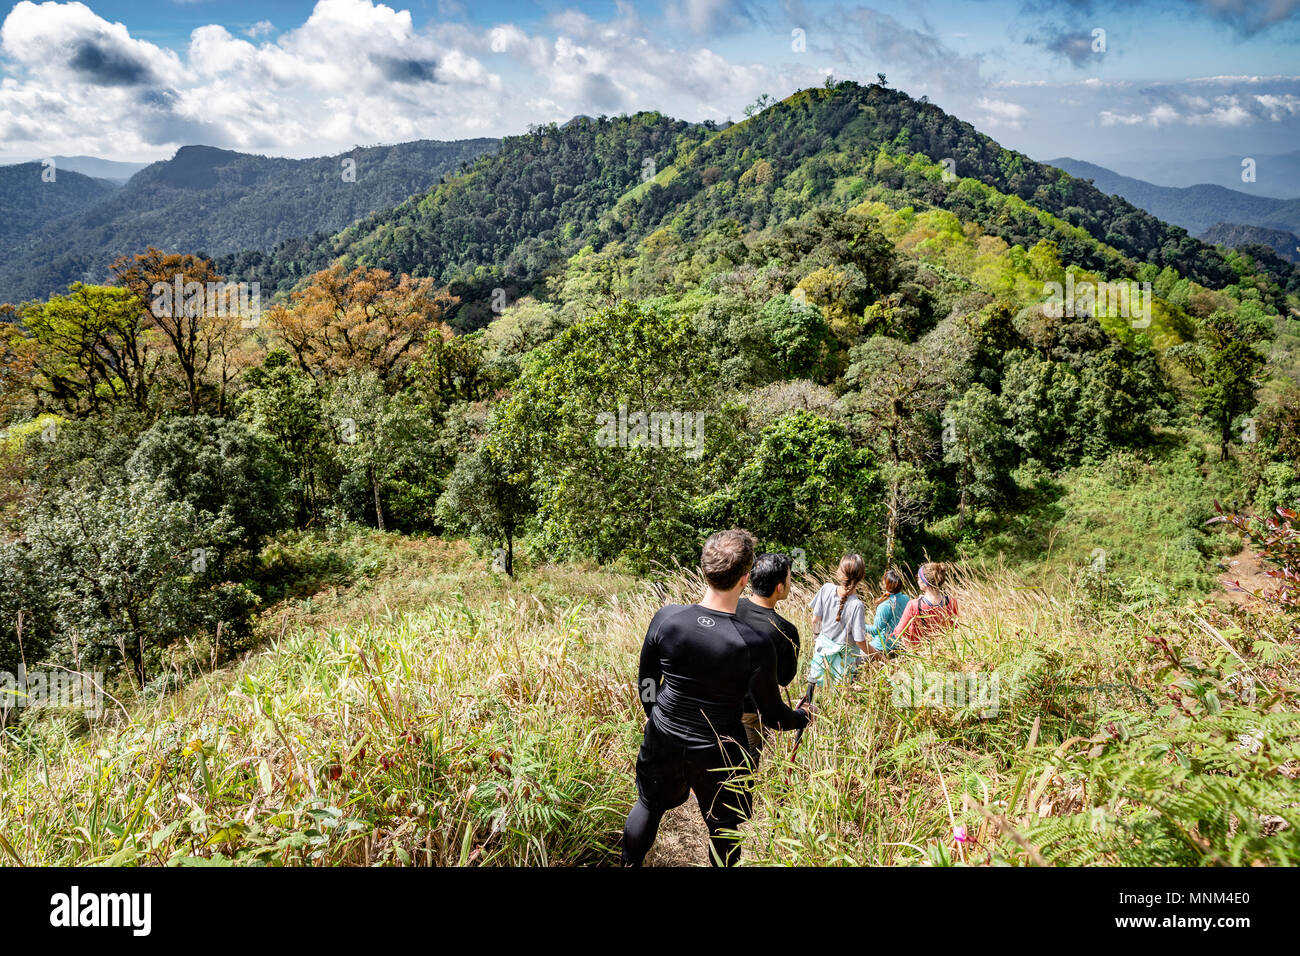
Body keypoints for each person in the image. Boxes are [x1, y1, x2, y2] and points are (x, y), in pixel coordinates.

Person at [623, 529, 813, 867]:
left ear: (703, 570)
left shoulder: (667, 618)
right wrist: (801, 717)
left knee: (649, 804)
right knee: (724, 827)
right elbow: (772, 716)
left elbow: (647, 682)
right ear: (744, 579)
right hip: (721, 750)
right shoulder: (755, 644)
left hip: (663, 737)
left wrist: (657, 716)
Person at [736, 553, 800, 753]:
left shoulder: (730, 608)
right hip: (752, 713)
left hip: (716, 706)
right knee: (745, 771)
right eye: (789, 579)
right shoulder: (785, 631)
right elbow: (783, 679)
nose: (790, 583)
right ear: (779, 587)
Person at [804, 553, 867, 702]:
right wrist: (879, 656)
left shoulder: (826, 588)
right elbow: (859, 641)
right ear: (861, 577)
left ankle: (804, 718)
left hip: (822, 650)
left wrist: (817, 637)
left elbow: (815, 619)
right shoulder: (857, 605)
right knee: (842, 699)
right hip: (845, 660)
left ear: (839, 572)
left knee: (812, 688)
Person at [892, 562, 959, 647]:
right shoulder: (952, 602)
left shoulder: (914, 605)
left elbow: (898, 632)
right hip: (946, 650)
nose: (917, 580)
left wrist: (909, 645)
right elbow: (955, 628)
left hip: (920, 652)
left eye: (918, 578)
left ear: (925, 582)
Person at [862, 569, 910, 659]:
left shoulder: (885, 605)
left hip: (882, 648)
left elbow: (876, 630)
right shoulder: (906, 599)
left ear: (886, 585)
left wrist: (859, 626)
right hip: (900, 645)